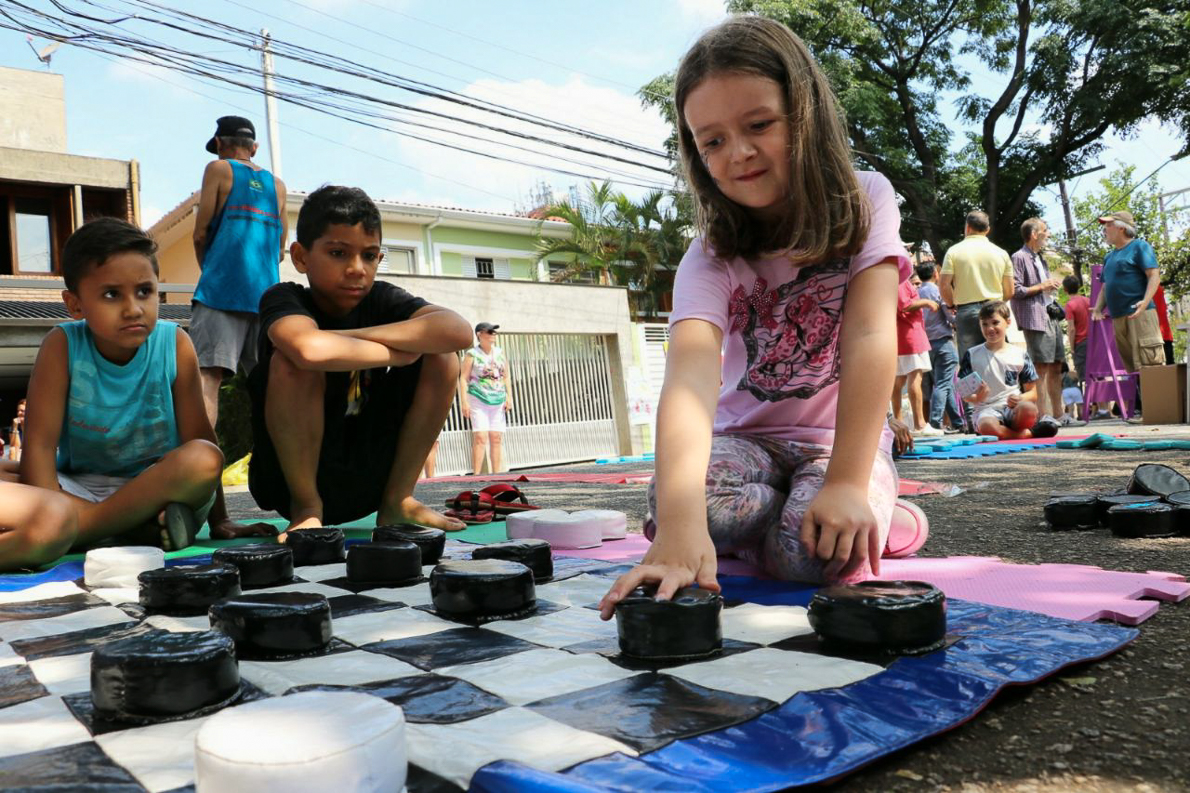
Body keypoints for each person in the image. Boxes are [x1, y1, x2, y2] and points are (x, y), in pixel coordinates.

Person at [597, 17, 911, 618]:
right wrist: (677, 533)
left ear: (805, 114)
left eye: (759, 125)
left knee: (805, 554)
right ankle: (790, 511)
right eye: (711, 141)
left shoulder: (864, 198)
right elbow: (690, 376)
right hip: (747, 443)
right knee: (682, 511)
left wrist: (845, 481)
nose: (737, 153)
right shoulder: (711, 251)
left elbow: (871, 333)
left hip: (836, 445)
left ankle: (881, 514)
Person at [2, 218, 272, 571]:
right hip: (76, 487)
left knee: (203, 458)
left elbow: (201, 439)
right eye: (112, 294)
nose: (133, 308)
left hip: (156, 486)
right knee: (12, 470)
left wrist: (220, 521)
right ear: (75, 304)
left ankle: (80, 530)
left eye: (144, 291)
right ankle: (128, 530)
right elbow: (38, 445)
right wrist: (52, 503)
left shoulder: (174, 344)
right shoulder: (62, 345)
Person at [247, 185, 472, 534]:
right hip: (289, 483)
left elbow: (458, 331)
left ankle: (399, 500)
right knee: (293, 363)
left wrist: (342, 339)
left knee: (442, 359)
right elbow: (308, 350)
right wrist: (394, 354)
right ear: (301, 257)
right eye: (338, 253)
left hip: (368, 475)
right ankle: (308, 510)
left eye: (369, 256)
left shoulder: (381, 300)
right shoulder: (284, 298)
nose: (357, 269)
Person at [191, 116, 288, 431]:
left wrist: (210, 270)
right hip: (266, 298)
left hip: (221, 291)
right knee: (271, 385)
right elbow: (280, 248)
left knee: (208, 377)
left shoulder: (218, 169)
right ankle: (279, 460)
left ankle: (204, 470)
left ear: (220, 144)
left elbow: (200, 233)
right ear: (254, 148)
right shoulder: (278, 186)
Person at [1092, 210, 1162, 374]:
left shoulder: (1139, 246)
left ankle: (1156, 400)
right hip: (1118, 318)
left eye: (1108, 225)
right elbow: (1106, 285)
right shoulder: (1109, 257)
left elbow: (1154, 276)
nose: (1104, 230)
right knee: (1132, 371)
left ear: (1121, 228)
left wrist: (1144, 302)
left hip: (1140, 316)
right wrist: (1097, 308)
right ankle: (1141, 401)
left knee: (1150, 367)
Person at [958, 301, 1039, 439]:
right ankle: (1027, 434)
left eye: (995, 322)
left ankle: (1007, 432)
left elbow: (1033, 392)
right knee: (987, 426)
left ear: (1008, 322)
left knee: (1029, 410)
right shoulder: (971, 354)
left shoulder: (1020, 354)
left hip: (1012, 408)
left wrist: (1020, 398)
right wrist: (977, 397)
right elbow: (964, 394)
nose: (990, 328)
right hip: (986, 410)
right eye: (985, 324)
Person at [939, 211, 1014, 358]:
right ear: (987, 230)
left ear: (967, 227)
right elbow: (1010, 291)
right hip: (996, 311)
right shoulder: (1001, 253)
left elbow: (944, 286)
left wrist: (951, 305)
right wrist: (996, 304)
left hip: (966, 311)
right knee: (999, 359)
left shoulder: (953, 251)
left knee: (969, 363)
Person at [1010, 217, 1064, 421]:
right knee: (1041, 365)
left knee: (1057, 365)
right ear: (1034, 234)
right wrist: (1043, 286)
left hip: (1050, 313)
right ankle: (1044, 415)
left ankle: (1060, 414)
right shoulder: (1019, 257)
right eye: (1045, 230)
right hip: (1035, 317)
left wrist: (1049, 285)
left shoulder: (1039, 257)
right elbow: (1015, 289)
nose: (1048, 234)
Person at [460, 322, 514, 475]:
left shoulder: (499, 352)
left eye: (494, 332)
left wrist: (509, 396)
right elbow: (463, 378)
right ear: (479, 334)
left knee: (496, 437)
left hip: (498, 399)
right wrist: (464, 402)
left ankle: (496, 474)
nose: (493, 334)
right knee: (481, 437)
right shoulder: (472, 354)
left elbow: (506, 376)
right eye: (489, 332)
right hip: (478, 399)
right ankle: (476, 475)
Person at [916, 262, 963, 432]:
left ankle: (957, 423)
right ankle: (935, 422)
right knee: (943, 384)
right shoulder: (938, 292)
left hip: (925, 345)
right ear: (936, 273)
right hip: (943, 342)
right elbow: (950, 318)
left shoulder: (916, 293)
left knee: (946, 384)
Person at [893, 272, 937, 435]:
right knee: (914, 378)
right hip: (911, 334)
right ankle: (920, 424)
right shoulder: (901, 280)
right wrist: (926, 302)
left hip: (902, 335)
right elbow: (905, 305)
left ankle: (898, 423)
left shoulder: (894, 279)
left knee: (899, 381)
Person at [1063, 275, 1090, 384]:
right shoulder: (1088, 300)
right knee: (1096, 375)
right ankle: (1100, 400)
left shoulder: (1070, 305)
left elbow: (1071, 329)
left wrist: (1072, 347)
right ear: (1078, 287)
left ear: (1065, 289)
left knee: (1084, 378)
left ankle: (1090, 400)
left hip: (1080, 344)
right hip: (1093, 342)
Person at [1153, 285, 1175, 365]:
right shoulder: (1157, 287)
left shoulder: (1149, 288)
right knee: (1170, 364)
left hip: (1156, 333)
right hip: (1163, 332)